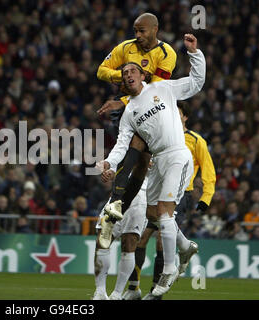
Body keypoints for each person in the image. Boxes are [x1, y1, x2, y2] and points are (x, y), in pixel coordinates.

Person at [98, 34, 205, 296]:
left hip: (177, 156)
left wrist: (195, 54)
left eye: (132, 70)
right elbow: (123, 145)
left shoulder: (162, 88)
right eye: (124, 73)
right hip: (159, 162)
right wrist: (108, 162)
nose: (127, 74)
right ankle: (184, 246)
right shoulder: (129, 113)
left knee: (166, 213)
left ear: (143, 75)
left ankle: (169, 268)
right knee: (154, 215)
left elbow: (195, 83)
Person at [96, 13, 177, 247]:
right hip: (131, 109)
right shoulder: (125, 48)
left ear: (155, 30)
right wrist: (120, 77)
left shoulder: (166, 54)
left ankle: (116, 205)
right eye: (135, 31)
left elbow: (155, 89)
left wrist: (121, 99)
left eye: (142, 31)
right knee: (132, 151)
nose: (138, 35)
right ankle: (114, 206)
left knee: (140, 164)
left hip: (154, 111)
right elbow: (101, 70)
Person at [124, 102, 216, 300]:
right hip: (157, 188)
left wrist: (206, 197)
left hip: (181, 192)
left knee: (160, 240)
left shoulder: (195, 140)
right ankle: (134, 288)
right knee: (141, 237)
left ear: (185, 117)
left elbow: (209, 171)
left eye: (179, 113)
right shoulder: (161, 136)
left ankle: (157, 292)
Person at [93, 159, 149, 300]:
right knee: (102, 240)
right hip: (119, 195)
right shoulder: (128, 141)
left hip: (141, 196)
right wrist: (111, 171)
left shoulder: (161, 144)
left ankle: (117, 294)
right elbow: (122, 163)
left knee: (128, 244)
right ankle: (100, 292)